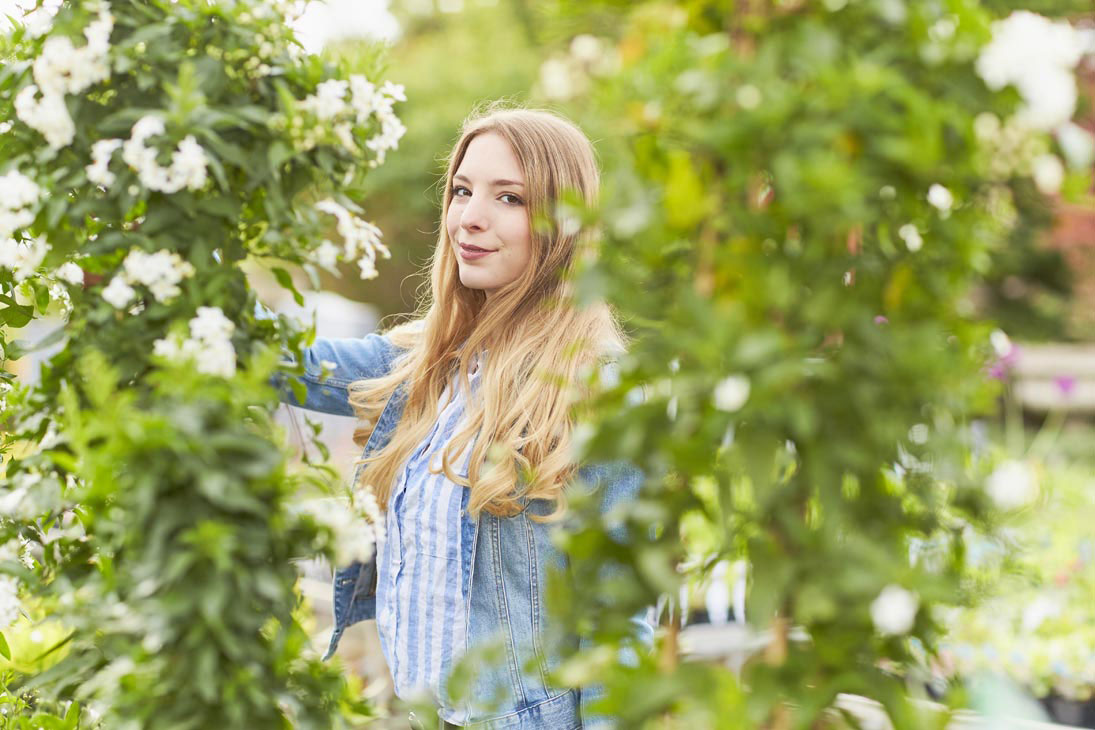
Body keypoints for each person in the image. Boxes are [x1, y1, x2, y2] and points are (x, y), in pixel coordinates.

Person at [278, 105, 654, 729]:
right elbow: (282, 363)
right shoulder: (426, 365)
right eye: (461, 190)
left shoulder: (596, 389)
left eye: (509, 197)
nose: (470, 217)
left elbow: (617, 625)